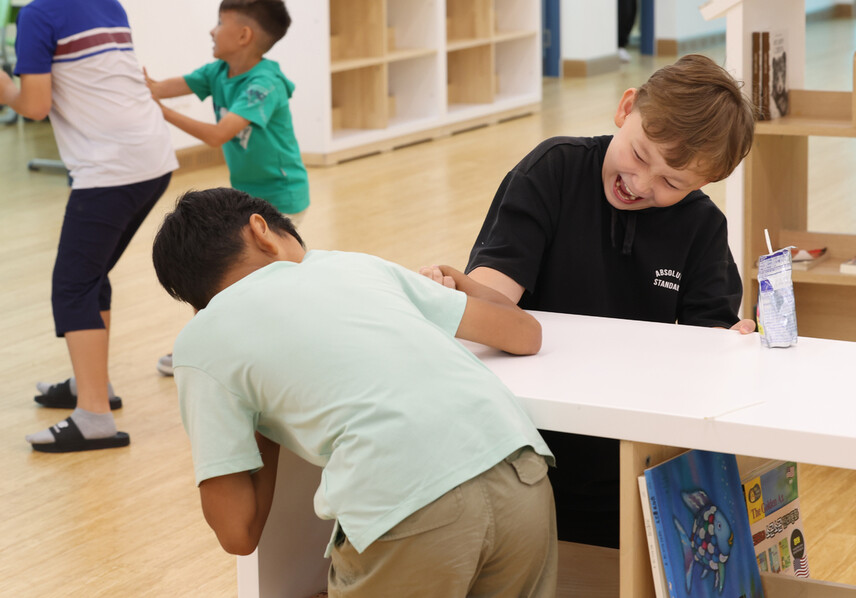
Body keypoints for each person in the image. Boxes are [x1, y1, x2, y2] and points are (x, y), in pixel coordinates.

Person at [151, 187, 558, 598]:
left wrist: (257, 415)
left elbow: (237, 532)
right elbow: (525, 334)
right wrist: (461, 282)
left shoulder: (203, 340)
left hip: (405, 503)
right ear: (262, 230)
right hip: (521, 475)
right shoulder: (354, 265)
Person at [463, 54, 757, 549]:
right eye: (641, 156)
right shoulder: (552, 170)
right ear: (626, 108)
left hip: (631, 464)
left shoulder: (702, 228)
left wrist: (730, 348)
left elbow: (706, 347)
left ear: (704, 185)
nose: (641, 184)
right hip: (522, 447)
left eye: (672, 183)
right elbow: (491, 297)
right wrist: (453, 287)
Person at [0, 0, 178, 452]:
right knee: (91, 276)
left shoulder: (39, 15)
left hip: (111, 168)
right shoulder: (107, 3)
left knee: (73, 286)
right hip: (152, 159)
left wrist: (4, 86)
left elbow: (35, 106)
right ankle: (92, 387)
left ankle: (94, 415)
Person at [143, 0, 309, 376]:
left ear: (244, 35)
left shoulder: (263, 84)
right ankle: (215, 343)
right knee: (235, 270)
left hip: (283, 195)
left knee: (260, 273)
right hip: (245, 195)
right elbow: (165, 86)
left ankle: (264, 344)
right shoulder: (217, 71)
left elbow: (219, 135)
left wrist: (162, 110)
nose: (211, 31)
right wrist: (144, 87)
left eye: (219, 23)